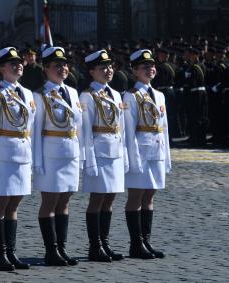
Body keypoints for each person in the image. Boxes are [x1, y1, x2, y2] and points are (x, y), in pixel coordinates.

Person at [0, 47, 33, 271]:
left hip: (22, 154)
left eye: (19, 62)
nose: (18, 65)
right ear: (1, 68)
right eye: (12, 63)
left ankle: (11, 252)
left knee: (14, 204)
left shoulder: (27, 93)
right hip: (2, 156)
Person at [32, 46, 82, 266]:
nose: (63, 69)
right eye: (57, 65)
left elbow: (78, 125)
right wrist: (37, 161)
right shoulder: (40, 94)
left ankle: (61, 247)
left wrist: (80, 154)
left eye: (65, 65)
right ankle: (50, 250)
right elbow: (35, 131)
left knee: (65, 200)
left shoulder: (71, 92)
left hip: (70, 151)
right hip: (50, 154)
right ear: (46, 69)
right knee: (50, 200)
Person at [123, 49, 171, 259]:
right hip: (141, 152)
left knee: (150, 195)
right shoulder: (131, 96)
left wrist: (167, 156)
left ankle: (146, 241)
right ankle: (136, 244)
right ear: (134, 71)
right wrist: (132, 159)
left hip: (157, 149)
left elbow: (165, 127)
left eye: (152, 66)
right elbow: (129, 130)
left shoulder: (158, 95)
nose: (150, 69)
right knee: (137, 195)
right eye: (145, 67)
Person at [80, 49, 127, 262]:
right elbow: (85, 131)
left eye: (110, 67)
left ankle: (105, 243)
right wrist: (88, 160)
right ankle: (94, 246)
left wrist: (124, 155)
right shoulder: (87, 96)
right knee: (97, 199)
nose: (108, 71)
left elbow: (122, 128)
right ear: (92, 72)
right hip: (98, 153)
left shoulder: (116, 94)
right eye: (103, 68)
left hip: (115, 151)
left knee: (110, 199)